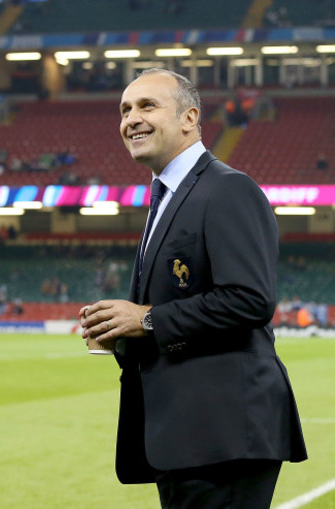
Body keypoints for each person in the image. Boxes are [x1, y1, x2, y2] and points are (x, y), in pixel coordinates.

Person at [79, 68, 307, 509]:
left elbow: (250, 299)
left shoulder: (227, 189)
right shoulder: (165, 196)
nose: (131, 119)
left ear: (189, 118)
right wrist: (119, 331)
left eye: (147, 106)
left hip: (223, 434)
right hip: (186, 435)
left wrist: (144, 319)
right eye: (125, 109)